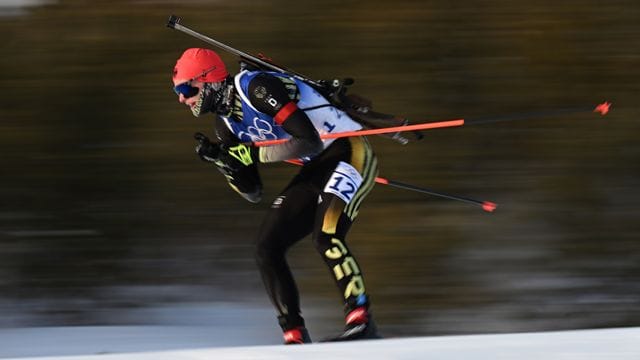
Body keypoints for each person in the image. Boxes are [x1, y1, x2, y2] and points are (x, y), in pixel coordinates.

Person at [171, 47, 380, 344]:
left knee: (326, 235)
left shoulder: (255, 87)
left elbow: (306, 141)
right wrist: (225, 163)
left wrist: (251, 153)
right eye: (178, 91)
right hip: (317, 168)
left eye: (185, 88)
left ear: (209, 81)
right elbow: (252, 191)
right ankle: (294, 335)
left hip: (349, 150)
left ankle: (361, 319)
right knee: (266, 247)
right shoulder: (225, 125)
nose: (182, 97)